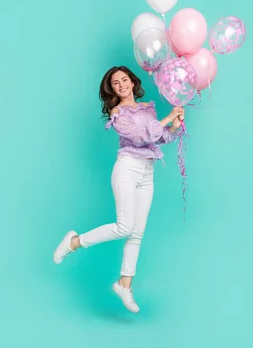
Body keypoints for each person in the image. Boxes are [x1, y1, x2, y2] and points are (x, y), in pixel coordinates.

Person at [53, 65, 184, 313]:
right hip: (128, 168)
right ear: (112, 89)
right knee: (125, 226)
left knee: (137, 232)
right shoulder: (118, 113)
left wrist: (174, 125)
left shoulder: (147, 108)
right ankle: (74, 242)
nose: (122, 84)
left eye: (125, 79)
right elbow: (140, 137)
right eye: (116, 82)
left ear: (133, 83)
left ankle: (125, 284)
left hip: (147, 170)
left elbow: (159, 138)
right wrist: (165, 120)